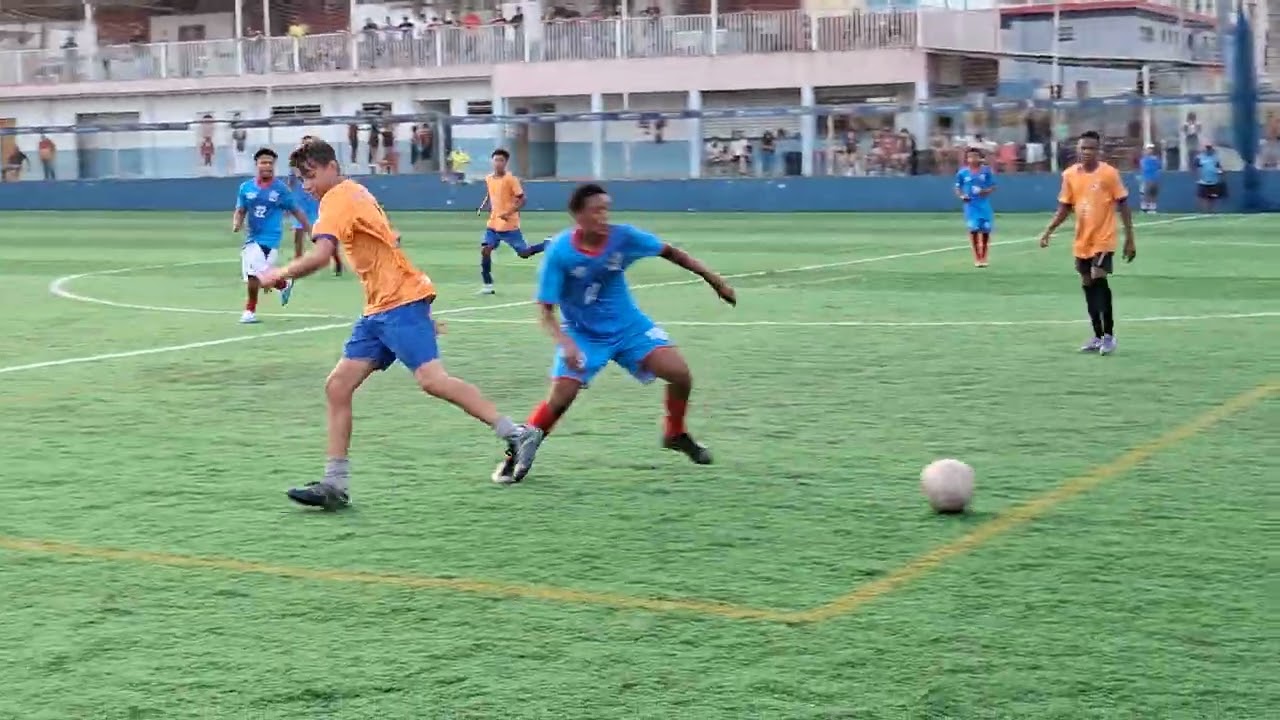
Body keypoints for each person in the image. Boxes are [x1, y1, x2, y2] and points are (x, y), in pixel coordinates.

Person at [257, 139, 541, 510]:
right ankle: (335, 484)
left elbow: (323, 256)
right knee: (338, 386)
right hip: (382, 308)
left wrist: (281, 273)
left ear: (331, 167)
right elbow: (390, 242)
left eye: (310, 175)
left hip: (398, 303)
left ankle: (516, 433)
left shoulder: (337, 199)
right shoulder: (358, 192)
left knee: (432, 380)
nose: (306, 185)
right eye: (300, 178)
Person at [492, 183, 737, 485]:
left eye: (606, 209)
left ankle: (675, 433)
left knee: (680, 374)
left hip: (629, 327)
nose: (604, 216)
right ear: (578, 215)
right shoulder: (560, 252)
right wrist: (565, 344)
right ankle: (515, 454)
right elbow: (545, 310)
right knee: (560, 399)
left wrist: (715, 280)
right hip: (583, 334)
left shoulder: (623, 237)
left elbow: (671, 253)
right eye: (596, 211)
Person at [1038, 131, 1137, 356]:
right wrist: (1048, 230)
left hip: (1103, 238)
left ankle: (1110, 336)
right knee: (1087, 284)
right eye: (1083, 148)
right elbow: (1064, 207)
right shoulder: (1070, 175)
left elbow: (1123, 205)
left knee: (1098, 277)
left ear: (1098, 151)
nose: (1086, 152)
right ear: (1078, 149)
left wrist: (1130, 239)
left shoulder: (1109, 174)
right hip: (1082, 240)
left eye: (1091, 148)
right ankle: (1097, 335)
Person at [232, 147, 312, 324]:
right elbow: (241, 209)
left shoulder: (280, 189)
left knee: (254, 273)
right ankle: (282, 285)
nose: (267, 166)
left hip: (270, 239)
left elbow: (296, 211)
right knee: (254, 277)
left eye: (270, 163)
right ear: (257, 165)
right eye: (263, 162)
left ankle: (249, 310)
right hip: (251, 238)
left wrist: (310, 230)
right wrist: (237, 222)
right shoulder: (245, 188)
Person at [477, 148, 546, 295]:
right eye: (496, 160)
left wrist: (508, 212)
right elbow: (492, 195)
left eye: (501, 160)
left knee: (524, 253)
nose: (498, 163)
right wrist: (484, 206)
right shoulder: (489, 178)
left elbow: (522, 199)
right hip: (493, 225)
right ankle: (487, 284)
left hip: (509, 225)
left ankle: (547, 244)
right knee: (485, 250)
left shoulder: (511, 179)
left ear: (506, 162)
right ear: (492, 161)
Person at [289, 135, 343, 275]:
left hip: (315, 201)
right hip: (301, 201)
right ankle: (298, 259)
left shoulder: (319, 165)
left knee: (325, 233)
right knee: (298, 232)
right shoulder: (296, 165)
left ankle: (336, 258)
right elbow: (291, 183)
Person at [954, 147, 996, 268]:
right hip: (971, 206)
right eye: (970, 157)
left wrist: (984, 191)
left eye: (975, 156)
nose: (972, 159)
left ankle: (984, 256)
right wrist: (962, 196)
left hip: (983, 205)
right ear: (967, 159)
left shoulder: (986, 171)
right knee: (974, 229)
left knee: (986, 230)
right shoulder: (962, 173)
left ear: (980, 158)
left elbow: (993, 186)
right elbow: (958, 188)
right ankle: (977, 257)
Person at [1194, 144, 1225, 213]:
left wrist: (1220, 172)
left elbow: (1219, 167)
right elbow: (1195, 167)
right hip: (1203, 180)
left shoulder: (1215, 158)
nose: (1208, 150)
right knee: (1202, 197)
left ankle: (1211, 211)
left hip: (1214, 180)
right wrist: (1197, 176)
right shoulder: (1200, 157)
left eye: (1209, 149)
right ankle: (1203, 211)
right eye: (1207, 149)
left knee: (1212, 197)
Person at [1138, 144, 1162, 213]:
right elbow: (1145, 168)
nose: (1150, 150)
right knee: (1146, 194)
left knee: (1153, 194)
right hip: (1147, 179)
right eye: (1148, 149)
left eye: (1151, 149)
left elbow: (1159, 166)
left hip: (1155, 179)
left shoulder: (1156, 159)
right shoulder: (1144, 160)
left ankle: (1152, 208)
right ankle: (1144, 209)